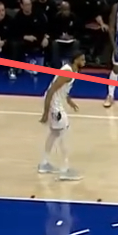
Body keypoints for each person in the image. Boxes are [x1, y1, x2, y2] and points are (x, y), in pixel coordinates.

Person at [39, 51, 86, 181]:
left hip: (55, 104)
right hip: (54, 106)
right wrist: (45, 112)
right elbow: (51, 91)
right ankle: (65, 170)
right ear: (75, 60)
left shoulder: (73, 71)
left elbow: (63, 90)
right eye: (82, 59)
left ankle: (44, 164)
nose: (84, 62)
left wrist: (69, 101)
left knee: (54, 133)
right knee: (65, 133)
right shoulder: (67, 72)